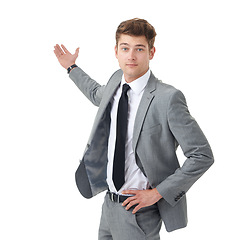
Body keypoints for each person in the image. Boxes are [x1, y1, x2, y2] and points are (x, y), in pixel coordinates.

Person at [54, 18, 214, 240]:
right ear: (116, 51)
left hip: (139, 212)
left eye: (139, 48)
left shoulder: (167, 98)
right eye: (125, 48)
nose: (131, 56)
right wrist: (71, 68)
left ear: (151, 52)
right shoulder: (115, 81)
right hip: (108, 204)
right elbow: (94, 94)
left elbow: (202, 155)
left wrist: (157, 194)